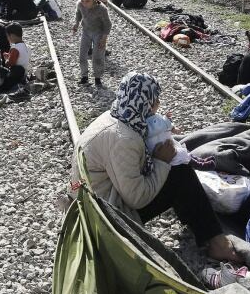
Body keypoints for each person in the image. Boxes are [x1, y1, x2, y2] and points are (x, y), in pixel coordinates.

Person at [76, 72, 239, 262]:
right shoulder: (124, 140)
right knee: (180, 173)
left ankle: (194, 218)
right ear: (144, 103)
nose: (158, 104)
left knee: (174, 168)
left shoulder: (118, 117)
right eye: (155, 99)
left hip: (95, 200)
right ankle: (216, 243)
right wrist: (162, 162)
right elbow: (137, 198)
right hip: (106, 217)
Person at [73, 0, 111, 87]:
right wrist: (76, 23)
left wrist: (104, 38)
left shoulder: (102, 9)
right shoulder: (80, 5)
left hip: (98, 33)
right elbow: (78, 14)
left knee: (97, 56)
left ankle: (97, 77)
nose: (84, 3)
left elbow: (107, 24)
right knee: (82, 55)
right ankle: (84, 77)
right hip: (86, 32)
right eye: (82, 0)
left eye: (87, 1)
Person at [2, 22, 31, 89]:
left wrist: (6, 59)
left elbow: (10, 64)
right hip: (25, 73)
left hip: (17, 74)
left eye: (7, 36)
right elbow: (21, 57)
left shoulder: (15, 48)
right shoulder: (27, 46)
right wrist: (9, 55)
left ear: (12, 36)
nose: (7, 38)